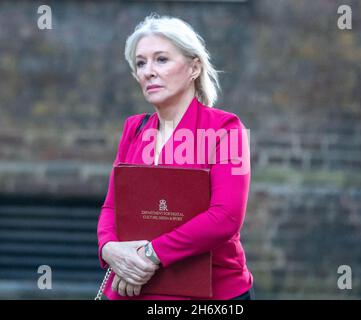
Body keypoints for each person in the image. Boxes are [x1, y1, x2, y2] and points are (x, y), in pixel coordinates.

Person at [97, 13, 255, 300]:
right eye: (141, 63)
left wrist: (148, 254)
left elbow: (226, 217)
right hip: (138, 290)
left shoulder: (226, 129)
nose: (148, 71)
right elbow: (111, 208)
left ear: (194, 67)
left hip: (213, 295)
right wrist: (110, 250)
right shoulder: (134, 129)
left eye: (161, 59)